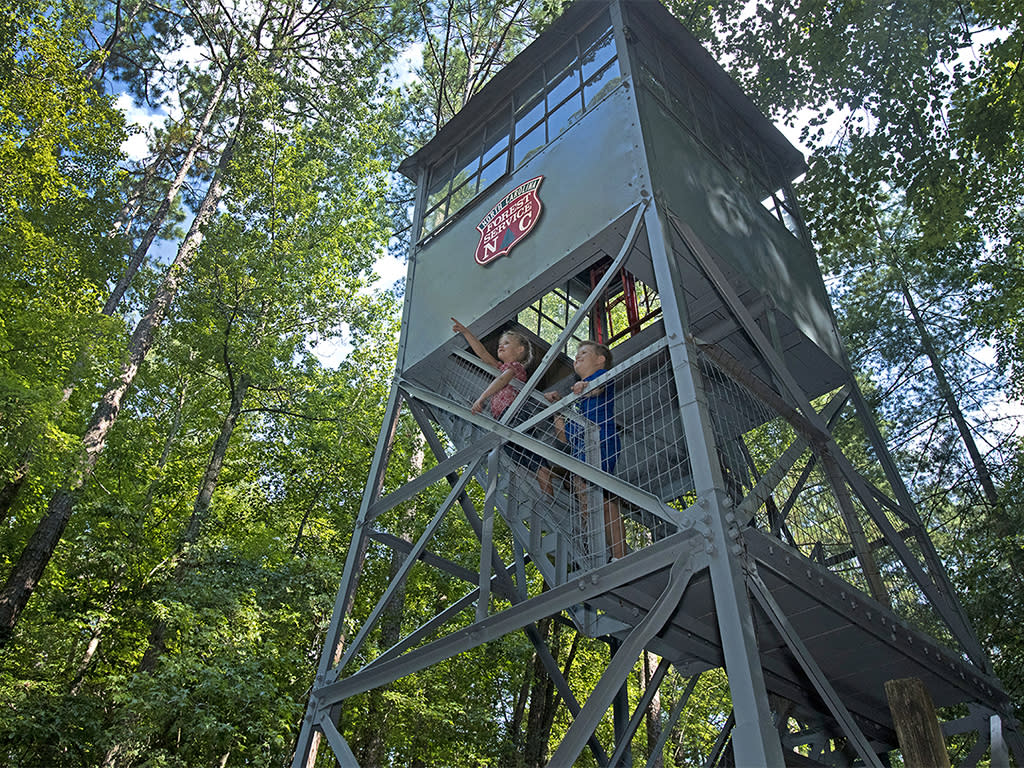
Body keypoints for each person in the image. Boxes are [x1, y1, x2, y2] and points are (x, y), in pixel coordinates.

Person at [451, 318, 552, 494]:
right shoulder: (502, 367)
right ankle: (546, 486)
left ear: (520, 350)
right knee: (522, 457)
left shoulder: (515, 367)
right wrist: (466, 333)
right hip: (505, 420)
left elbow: (503, 379)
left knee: (534, 459)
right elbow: (482, 354)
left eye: (506, 343)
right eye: (500, 343)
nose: (500, 346)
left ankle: (548, 491)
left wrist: (482, 397)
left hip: (516, 414)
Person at [546, 341, 626, 561]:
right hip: (582, 451)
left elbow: (598, 387)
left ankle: (619, 554)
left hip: (601, 441)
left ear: (600, 359)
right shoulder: (577, 403)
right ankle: (595, 550)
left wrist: (585, 387)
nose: (577, 357)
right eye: (576, 354)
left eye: (584, 353)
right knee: (585, 496)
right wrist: (558, 410)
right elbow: (563, 436)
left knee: (603, 496)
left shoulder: (601, 376)